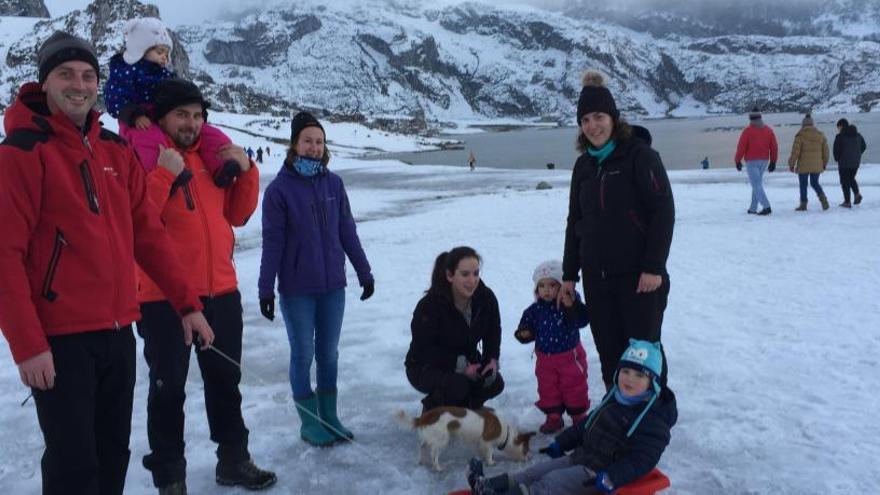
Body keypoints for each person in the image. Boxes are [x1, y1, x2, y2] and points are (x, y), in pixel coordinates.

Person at [0, 32, 214, 495]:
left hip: (119, 332)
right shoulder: (21, 152)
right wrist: (27, 345)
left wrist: (186, 303)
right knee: (74, 464)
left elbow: (149, 237)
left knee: (113, 455)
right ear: (45, 82)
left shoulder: (115, 150)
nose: (78, 84)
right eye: (66, 74)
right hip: (61, 341)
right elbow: (5, 256)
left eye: (87, 75)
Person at [135, 78, 276, 493]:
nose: (191, 123)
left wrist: (248, 173)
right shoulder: (148, 158)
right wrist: (164, 175)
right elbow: (139, 223)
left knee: (225, 382)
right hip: (163, 298)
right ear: (162, 118)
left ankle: (233, 460)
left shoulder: (212, 161)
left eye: (197, 116)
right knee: (168, 389)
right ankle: (170, 478)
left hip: (221, 292)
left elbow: (237, 214)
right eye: (182, 115)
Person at [258, 111, 375, 447]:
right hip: (297, 290)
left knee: (329, 354)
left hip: (333, 287)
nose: (313, 147)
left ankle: (330, 416)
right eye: (307, 141)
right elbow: (273, 242)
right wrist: (266, 288)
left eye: (319, 141)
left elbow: (347, 232)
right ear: (294, 145)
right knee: (303, 354)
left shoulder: (334, 184)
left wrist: (363, 272)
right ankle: (309, 423)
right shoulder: (279, 190)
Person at [561, 70, 674, 392]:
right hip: (597, 280)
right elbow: (575, 222)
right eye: (585, 120)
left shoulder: (640, 156)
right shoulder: (584, 166)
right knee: (610, 352)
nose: (593, 126)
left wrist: (653, 267)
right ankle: (614, 413)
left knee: (643, 353)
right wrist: (570, 275)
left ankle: (651, 416)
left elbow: (663, 212)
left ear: (613, 118)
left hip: (640, 278)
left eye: (599, 117)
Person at [467, 339, 677, 495]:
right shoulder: (614, 399)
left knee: (551, 482)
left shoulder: (654, 421)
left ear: (653, 384)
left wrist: (612, 477)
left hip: (599, 474)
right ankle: (488, 487)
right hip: (581, 457)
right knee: (535, 472)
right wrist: (561, 442)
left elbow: (642, 460)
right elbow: (587, 425)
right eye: (626, 371)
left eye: (639, 375)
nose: (629, 379)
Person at [102, 17, 241, 187]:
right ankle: (166, 174)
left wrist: (197, 110)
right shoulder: (125, 72)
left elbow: (180, 93)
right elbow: (114, 98)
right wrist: (135, 115)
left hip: (163, 116)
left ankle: (222, 167)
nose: (164, 58)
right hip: (137, 121)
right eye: (160, 52)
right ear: (140, 49)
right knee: (150, 142)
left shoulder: (164, 75)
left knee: (208, 133)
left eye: (166, 54)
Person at [405, 246, 504, 414]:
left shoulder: (486, 298)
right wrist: (461, 366)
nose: (472, 280)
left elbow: (493, 331)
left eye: (476, 273)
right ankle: (432, 410)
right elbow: (423, 350)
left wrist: (491, 360)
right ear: (450, 275)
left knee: (494, 383)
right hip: (424, 366)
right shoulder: (429, 306)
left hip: (467, 359)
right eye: (465, 274)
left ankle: (470, 409)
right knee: (457, 385)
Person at [514, 260, 590, 434]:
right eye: (541, 286)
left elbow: (582, 320)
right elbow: (525, 327)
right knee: (548, 389)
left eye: (552, 285)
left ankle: (579, 417)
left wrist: (571, 305)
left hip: (570, 357)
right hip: (545, 360)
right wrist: (524, 333)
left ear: (562, 286)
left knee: (575, 387)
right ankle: (553, 418)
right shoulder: (533, 311)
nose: (546, 290)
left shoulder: (568, 305)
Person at [735, 107, 778, 215]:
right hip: (764, 161)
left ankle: (766, 206)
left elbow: (741, 147)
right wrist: (773, 161)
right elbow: (774, 147)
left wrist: (737, 160)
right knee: (757, 184)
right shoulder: (768, 130)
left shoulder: (747, 131)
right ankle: (753, 208)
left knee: (756, 184)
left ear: (751, 119)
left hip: (752, 161)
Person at [788, 114, 829, 211]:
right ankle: (824, 200)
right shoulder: (820, 135)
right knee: (815, 183)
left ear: (803, 124)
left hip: (803, 165)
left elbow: (795, 152)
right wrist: (824, 164)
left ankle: (803, 204)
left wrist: (791, 164)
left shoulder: (800, 135)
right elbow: (826, 152)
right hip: (817, 165)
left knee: (803, 184)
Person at [833, 118, 867, 208]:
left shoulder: (839, 137)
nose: (838, 129)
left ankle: (847, 202)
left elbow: (836, 150)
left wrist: (837, 158)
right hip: (855, 163)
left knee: (845, 182)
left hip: (844, 163)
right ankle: (857, 194)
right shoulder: (858, 135)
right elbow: (864, 146)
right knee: (851, 178)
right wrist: (857, 154)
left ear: (841, 126)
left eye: (838, 127)